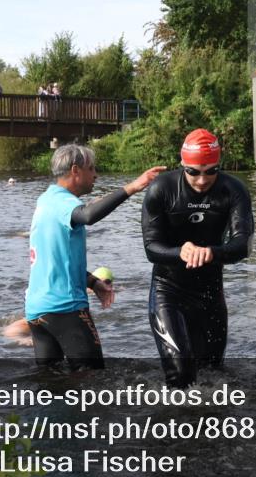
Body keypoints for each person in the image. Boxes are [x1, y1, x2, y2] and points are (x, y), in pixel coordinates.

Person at [24, 143, 165, 370]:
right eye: (91, 168)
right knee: (93, 380)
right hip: (65, 308)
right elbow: (88, 215)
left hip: (37, 309)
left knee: (51, 383)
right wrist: (133, 187)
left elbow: (57, 259)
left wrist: (92, 282)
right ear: (75, 171)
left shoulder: (46, 200)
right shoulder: (64, 202)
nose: (96, 174)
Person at [141, 129, 254, 387]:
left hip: (210, 292)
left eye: (210, 170)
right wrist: (181, 251)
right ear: (183, 165)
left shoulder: (233, 190)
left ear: (219, 166)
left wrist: (212, 251)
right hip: (168, 291)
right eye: (193, 172)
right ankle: (176, 425)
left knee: (214, 374)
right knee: (181, 374)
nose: (202, 180)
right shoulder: (161, 189)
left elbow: (242, 245)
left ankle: (210, 423)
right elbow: (151, 248)